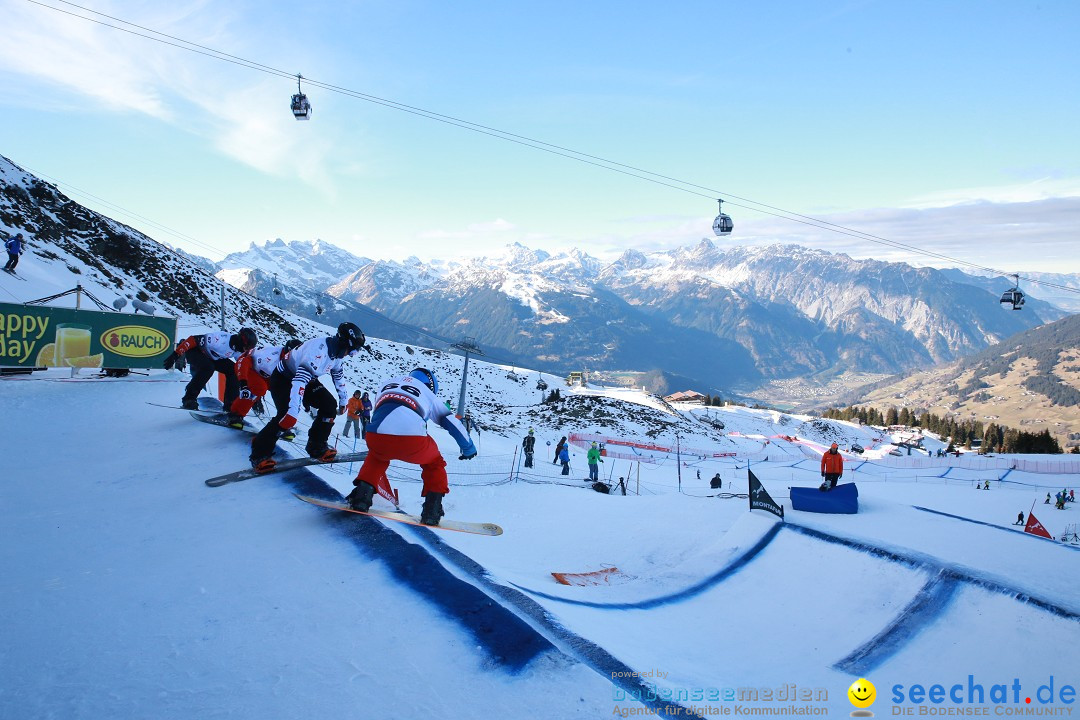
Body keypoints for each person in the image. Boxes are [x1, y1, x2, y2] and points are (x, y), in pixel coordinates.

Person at [343, 368, 476, 526]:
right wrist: (468, 448)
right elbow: (450, 421)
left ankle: (361, 497)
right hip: (412, 440)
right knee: (434, 462)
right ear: (431, 385)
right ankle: (432, 511)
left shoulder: (387, 384)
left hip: (375, 435)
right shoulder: (427, 393)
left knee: (377, 457)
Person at [248, 322, 366, 473]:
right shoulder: (317, 351)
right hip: (284, 379)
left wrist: (343, 401)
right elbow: (298, 382)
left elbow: (338, 375)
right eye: (352, 351)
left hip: (306, 379)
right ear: (345, 343)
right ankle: (259, 452)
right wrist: (293, 411)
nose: (351, 355)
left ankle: (316, 446)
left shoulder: (337, 352)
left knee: (329, 406)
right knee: (285, 415)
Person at [164, 327, 258, 411]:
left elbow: (243, 368)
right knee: (208, 368)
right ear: (241, 342)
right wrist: (175, 355)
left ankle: (230, 404)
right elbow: (192, 339)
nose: (246, 350)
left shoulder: (238, 349)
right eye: (247, 347)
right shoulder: (219, 339)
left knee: (234, 370)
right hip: (196, 351)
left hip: (213, 357)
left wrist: (252, 386)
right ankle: (189, 398)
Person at [228, 339, 302, 436]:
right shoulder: (270, 355)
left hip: (269, 374)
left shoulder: (295, 361)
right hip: (251, 368)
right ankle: (236, 415)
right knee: (259, 388)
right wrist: (243, 382)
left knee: (285, 395)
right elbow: (245, 360)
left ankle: (282, 423)